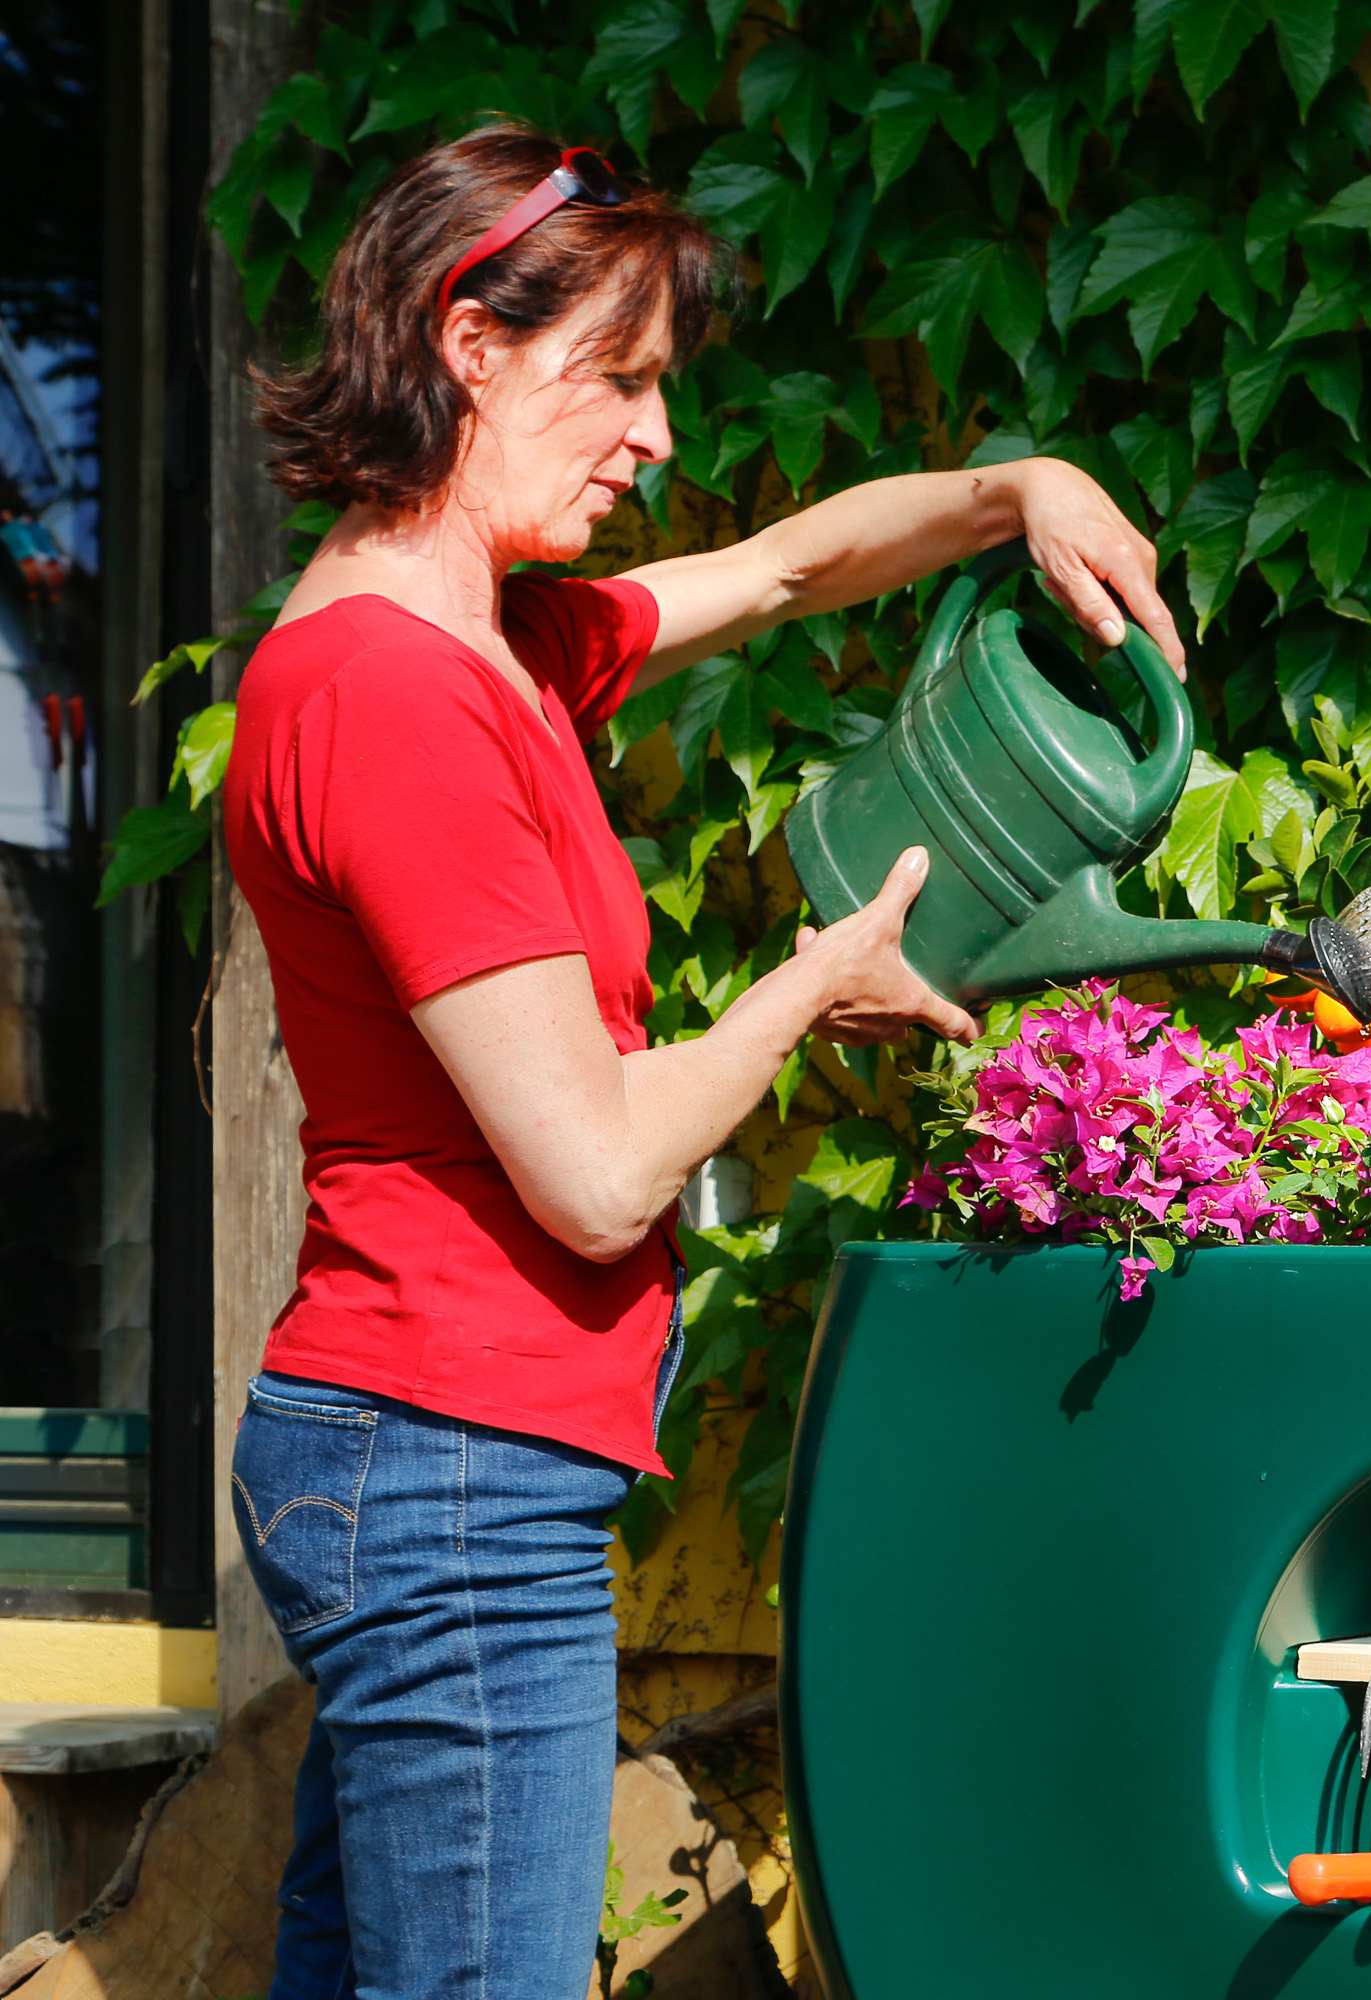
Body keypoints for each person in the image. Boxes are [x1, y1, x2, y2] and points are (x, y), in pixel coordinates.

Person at [222, 126, 1181, 1999]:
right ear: (467, 340)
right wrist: (808, 982)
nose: (658, 437)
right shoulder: (394, 700)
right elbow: (591, 1171)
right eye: (622, 377)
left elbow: (774, 573)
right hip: (449, 1474)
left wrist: (1017, 491)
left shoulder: (482, 639)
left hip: (429, 1457)